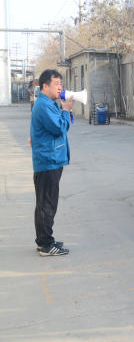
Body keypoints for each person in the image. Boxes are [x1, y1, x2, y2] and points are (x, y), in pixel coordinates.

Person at [30, 69, 73, 256]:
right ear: (45, 86)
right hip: (49, 161)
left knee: (45, 203)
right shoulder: (44, 105)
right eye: (56, 84)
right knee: (47, 204)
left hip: (50, 159)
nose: (60, 87)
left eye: (61, 84)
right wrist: (66, 111)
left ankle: (43, 240)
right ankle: (47, 245)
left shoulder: (47, 103)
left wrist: (63, 110)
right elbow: (59, 128)